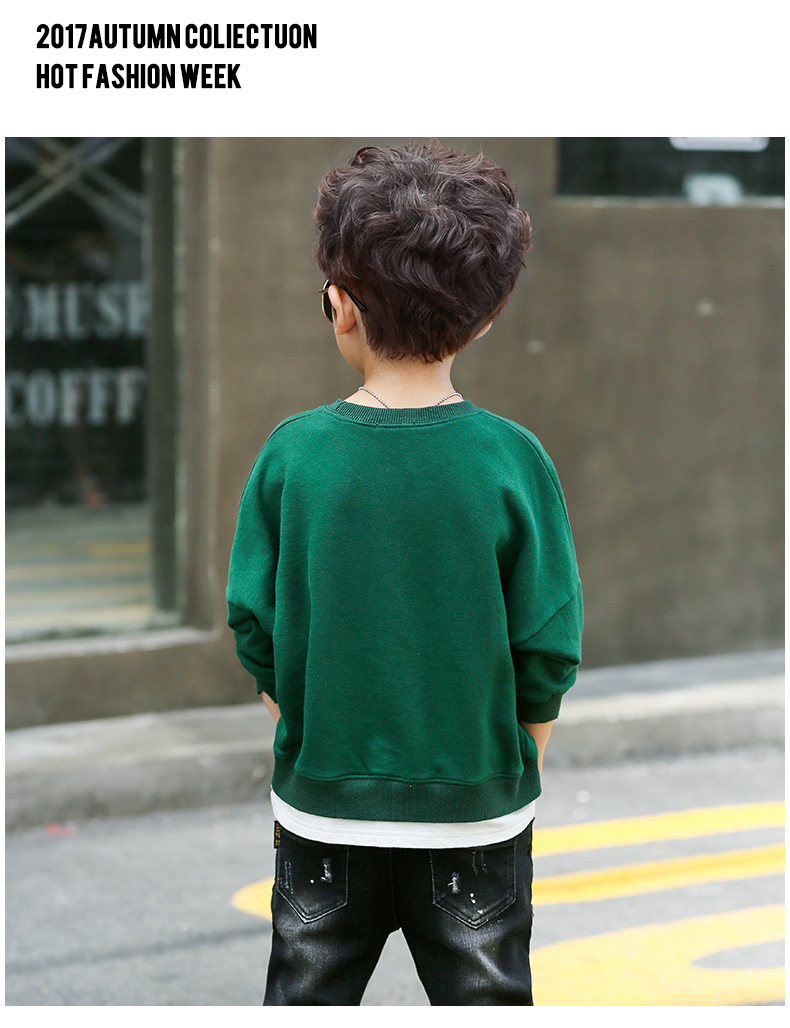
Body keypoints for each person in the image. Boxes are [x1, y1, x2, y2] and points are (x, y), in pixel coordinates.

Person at [226, 142, 583, 1006]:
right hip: (477, 819)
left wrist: (305, 730)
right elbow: (547, 643)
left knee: (305, 1000)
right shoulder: (513, 459)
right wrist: (512, 763)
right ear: (488, 317)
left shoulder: (293, 455)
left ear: (341, 305)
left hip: (322, 815)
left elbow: (254, 624)